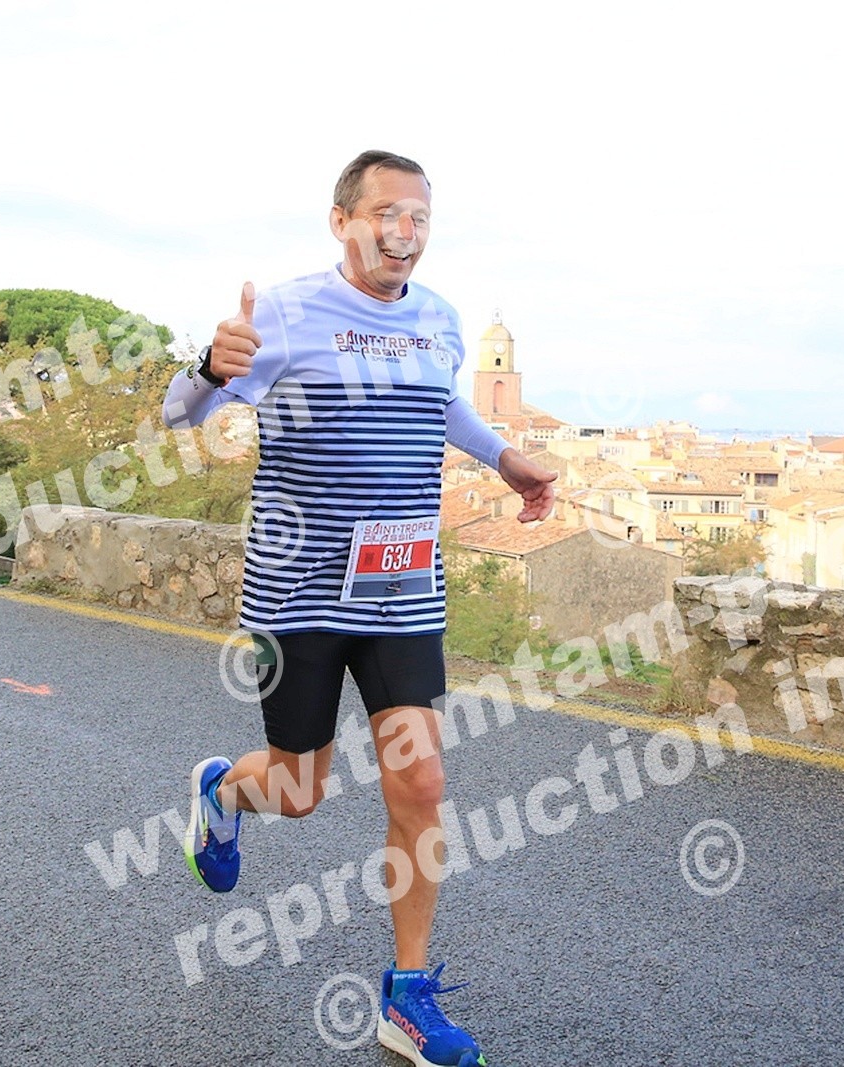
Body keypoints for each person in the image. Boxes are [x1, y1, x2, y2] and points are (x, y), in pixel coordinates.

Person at [164, 150, 556, 1067]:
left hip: (402, 588)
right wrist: (209, 369)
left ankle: (406, 997)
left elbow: (441, 406)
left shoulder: (440, 319)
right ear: (342, 220)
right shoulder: (285, 312)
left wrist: (505, 459)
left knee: (421, 786)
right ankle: (223, 790)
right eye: (386, 213)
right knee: (298, 791)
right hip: (297, 590)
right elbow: (183, 414)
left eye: (420, 216)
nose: (404, 232)